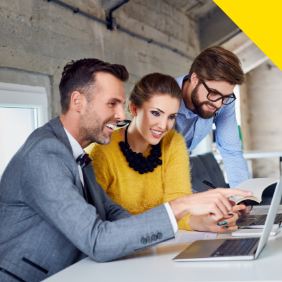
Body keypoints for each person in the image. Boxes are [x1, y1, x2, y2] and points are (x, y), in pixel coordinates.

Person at [0, 59, 251, 282]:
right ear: (78, 101)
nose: (121, 115)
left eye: (121, 104)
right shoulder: (46, 153)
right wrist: (180, 206)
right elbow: (97, 240)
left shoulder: (76, 150)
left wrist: (189, 223)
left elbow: (111, 211)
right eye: (112, 104)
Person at [86, 73, 242, 233]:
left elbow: (179, 204)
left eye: (171, 116)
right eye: (156, 113)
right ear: (134, 109)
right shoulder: (102, 151)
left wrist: (206, 223)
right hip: (122, 246)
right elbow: (97, 223)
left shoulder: (173, 142)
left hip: (161, 243)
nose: (163, 125)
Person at [175, 46, 252, 189]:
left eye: (225, 96)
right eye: (213, 93)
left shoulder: (225, 101)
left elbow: (231, 150)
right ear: (195, 79)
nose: (218, 103)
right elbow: (158, 167)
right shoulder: (162, 100)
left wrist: (243, 195)